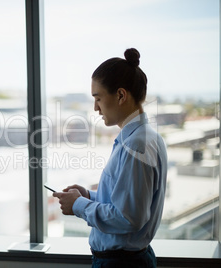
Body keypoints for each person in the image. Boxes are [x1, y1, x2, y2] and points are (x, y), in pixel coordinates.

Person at [53, 48, 167, 268]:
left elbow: (128, 218)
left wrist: (79, 205)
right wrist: (89, 196)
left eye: (98, 98)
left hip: (121, 264)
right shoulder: (145, 138)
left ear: (121, 95)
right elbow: (127, 202)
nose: (95, 108)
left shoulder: (136, 145)